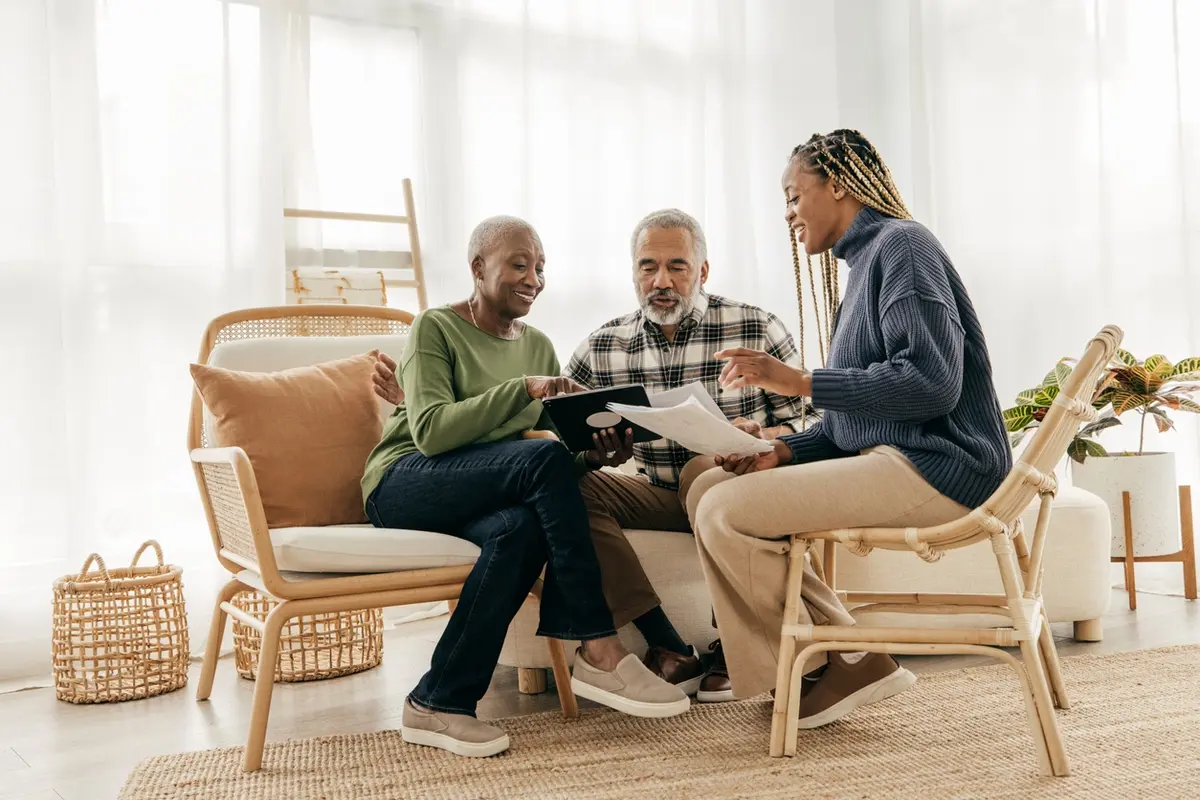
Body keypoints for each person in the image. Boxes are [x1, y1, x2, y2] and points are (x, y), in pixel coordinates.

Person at [685, 129, 1012, 729]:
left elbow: (932, 383)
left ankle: (819, 663)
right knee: (706, 487)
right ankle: (846, 657)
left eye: (793, 195)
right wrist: (782, 450)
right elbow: (847, 426)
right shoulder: (863, 266)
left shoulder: (903, 247)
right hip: (899, 458)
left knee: (723, 511)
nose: (787, 215)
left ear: (837, 184)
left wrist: (801, 382)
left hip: (945, 464)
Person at [362, 215, 689, 759]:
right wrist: (520, 390)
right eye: (519, 264)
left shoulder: (537, 344)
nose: (533, 277)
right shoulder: (435, 328)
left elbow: (550, 466)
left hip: (480, 489)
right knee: (536, 463)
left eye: (540, 267)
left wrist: (593, 454)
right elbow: (433, 432)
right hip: (404, 479)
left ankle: (438, 700)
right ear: (477, 268)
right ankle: (598, 646)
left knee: (521, 528)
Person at [565, 208, 810, 701]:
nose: (661, 280)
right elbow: (566, 435)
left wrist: (760, 433)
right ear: (633, 271)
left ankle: (731, 646)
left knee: (704, 467)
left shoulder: (755, 327)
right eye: (647, 266)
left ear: (702, 271)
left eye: (676, 266)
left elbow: (814, 422)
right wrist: (596, 457)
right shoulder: (601, 347)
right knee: (560, 485)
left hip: (738, 491)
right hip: (656, 495)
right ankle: (669, 644)